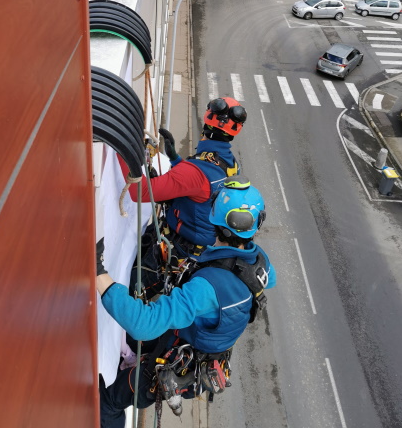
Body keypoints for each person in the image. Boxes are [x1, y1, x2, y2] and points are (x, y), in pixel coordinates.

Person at [97, 178, 276, 427]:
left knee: (108, 401)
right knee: (125, 342)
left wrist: (98, 273)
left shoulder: (207, 287)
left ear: (217, 224)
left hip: (177, 358)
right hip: (198, 352)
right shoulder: (258, 263)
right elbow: (268, 279)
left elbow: (143, 324)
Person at [119, 97, 247, 254]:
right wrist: (175, 159)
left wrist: (122, 148)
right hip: (204, 243)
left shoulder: (196, 171)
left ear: (207, 118)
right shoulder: (230, 163)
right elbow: (200, 186)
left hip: (182, 247)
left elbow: (142, 192)